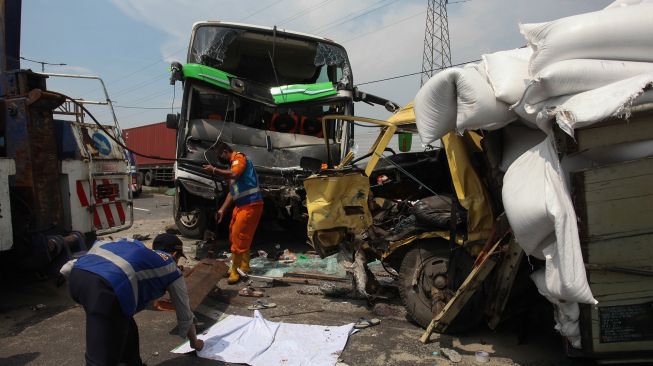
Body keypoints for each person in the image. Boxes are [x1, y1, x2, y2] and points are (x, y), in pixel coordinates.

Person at [64, 234, 204, 366]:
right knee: (101, 359)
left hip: (77, 276)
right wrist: (195, 343)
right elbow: (184, 312)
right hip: (104, 288)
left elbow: (68, 268)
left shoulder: (133, 247)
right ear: (174, 255)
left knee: (126, 323)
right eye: (179, 258)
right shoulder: (170, 266)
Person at [202, 142, 264, 284]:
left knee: (238, 236)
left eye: (219, 156)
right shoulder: (233, 166)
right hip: (241, 205)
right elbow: (232, 192)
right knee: (235, 234)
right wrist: (222, 209)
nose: (219, 159)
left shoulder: (239, 159)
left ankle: (235, 270)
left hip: (251, 204)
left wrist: (213, 170)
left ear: (225, 152)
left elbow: (235, 173)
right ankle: (244, 265)